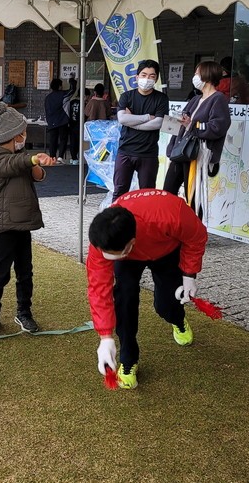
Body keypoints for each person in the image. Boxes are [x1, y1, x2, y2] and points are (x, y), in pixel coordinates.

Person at [87, 188, 208, 389]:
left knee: (167, 304)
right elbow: (99, 289)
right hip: (127, 260)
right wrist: (105, 337)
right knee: (124, 300)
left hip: (166, 249)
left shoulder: (173, 213)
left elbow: (197, 237)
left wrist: (189, 274)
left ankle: (177, 319)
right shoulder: (102, 240)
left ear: (131, 244)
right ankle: (128, 360)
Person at [0, 101, 56, 336]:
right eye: (23, 132)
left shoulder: (21, 155)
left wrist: (38, 165)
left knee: (25, 272)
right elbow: (10, 165)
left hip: (23, 223)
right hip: (3, 225)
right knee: (0, 273)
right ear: (14, 135)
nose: (25, 135)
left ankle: (24, 312)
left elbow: (38, 176)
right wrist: (32, 159)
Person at [163, 61, 231, 206]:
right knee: (167, 192)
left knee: (193, 197)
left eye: (197, 73)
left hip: (196, 155)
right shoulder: (195, 99)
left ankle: (192, 221)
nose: (194, 77)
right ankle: (170, 219)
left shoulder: (218, 99)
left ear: (207, 74)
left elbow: (218, 127)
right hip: (180, 152)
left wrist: (191, 125)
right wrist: (171, 146)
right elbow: (181, 124)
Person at [113, 59, 170, 200]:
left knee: (147, 194)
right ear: (137, 77)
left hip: (148, 153)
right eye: (144, 75)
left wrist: (132, 121)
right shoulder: (126, 96)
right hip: (125, 151)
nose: (147, 79)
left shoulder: (161, 98)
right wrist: (147, 117)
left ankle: (145, 216)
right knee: (120, 192)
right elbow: (122, 119)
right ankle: (115, 215)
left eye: (151, 76)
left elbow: (158, 123)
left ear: (156, 79)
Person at [43, 78, 70, 162]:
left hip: (51, 121)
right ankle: (60, 157)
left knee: (53, 140)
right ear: (59, 86)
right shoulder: (63, 94)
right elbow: (72, 91)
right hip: (62, 121)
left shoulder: (48, 98)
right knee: (63, 139)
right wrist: (72, 81)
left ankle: (52, 157)